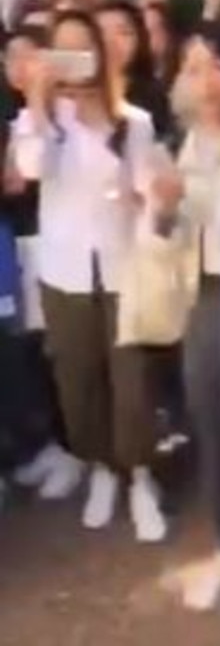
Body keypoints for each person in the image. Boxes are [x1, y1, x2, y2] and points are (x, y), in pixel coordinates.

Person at [11, 10, 166, 542]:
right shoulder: (40, 121)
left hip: (125, 267)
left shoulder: (134, 122)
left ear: (101, 55)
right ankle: (100, 466)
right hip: (65, 270)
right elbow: (33, 169)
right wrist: (38, 98)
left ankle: (140, 474)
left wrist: (145, 199)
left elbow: (153, 194)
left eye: (84, 48)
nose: (76, 59)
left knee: (132, 384)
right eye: (64, 49)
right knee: (78, 379)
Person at [153, 24, 220, 611]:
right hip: (209, 295)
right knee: (212, 422)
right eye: (192, 67)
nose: (206, 80)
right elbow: (173, 235)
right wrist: (165, 210)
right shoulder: (183, 144)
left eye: (217, 64)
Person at [1, 26, 82, 500]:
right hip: (24, 242)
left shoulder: (65, 112)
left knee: (28, 351)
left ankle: (50, 449)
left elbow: (17, 179)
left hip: (39, 244)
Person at [96, 0, 174, 144]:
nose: (110, 41)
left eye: (124, 33)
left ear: (140, 40)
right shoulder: (74, 94)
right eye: (101, 32)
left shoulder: (154, 97)